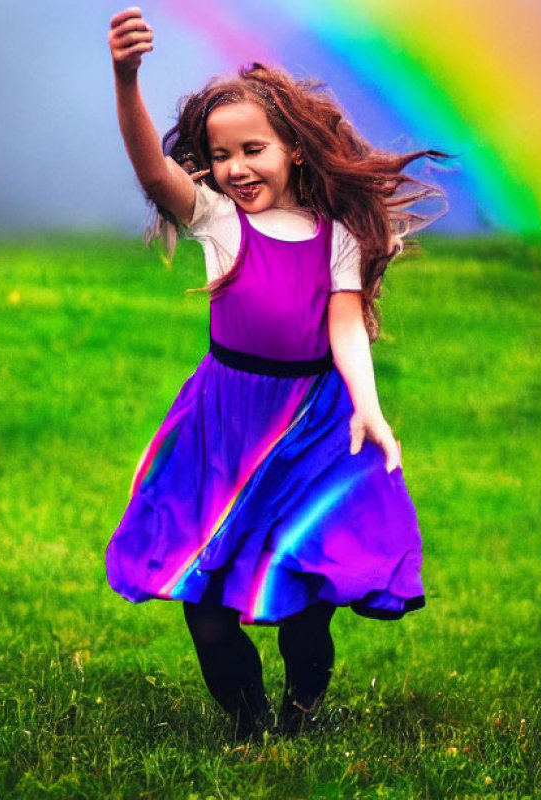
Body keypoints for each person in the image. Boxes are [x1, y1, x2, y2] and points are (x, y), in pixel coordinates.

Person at [104, 6, 444, 741]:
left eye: (252, 149)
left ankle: (302, 704)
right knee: (207, 609)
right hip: (222, 424)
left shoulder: (340, 234)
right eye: (220, 155)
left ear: (292, 148)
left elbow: (345, 322)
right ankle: (249, 726)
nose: (235, 169)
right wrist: (127, 78)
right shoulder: (218, 220)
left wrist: (369, 405)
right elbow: (149, 168)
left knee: (303, 600)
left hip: (312, 426)